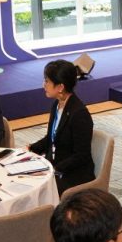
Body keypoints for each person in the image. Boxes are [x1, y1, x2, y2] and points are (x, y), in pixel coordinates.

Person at [28, 60, 95, 193]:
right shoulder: (57, 105)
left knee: (37, 189)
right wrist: (31, 148)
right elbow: (51, 138)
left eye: (47, 81)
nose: (44, 85)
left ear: (60, 87)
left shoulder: (79, 114)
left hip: (74, 174)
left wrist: (53, 168)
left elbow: (81, 155)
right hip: (56, 166)